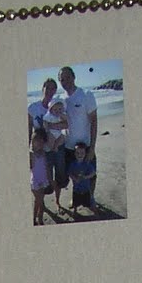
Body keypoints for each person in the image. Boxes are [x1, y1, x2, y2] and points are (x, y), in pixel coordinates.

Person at [58, 66, 98, 203]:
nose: (65, 81)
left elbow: (94, 120)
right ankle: (77, 198)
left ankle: (91, 197)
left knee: (90, 174)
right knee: (74, 174)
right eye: (62, 79)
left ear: (74, 77)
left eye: (68, 77)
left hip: (85, 145)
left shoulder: (86, 95)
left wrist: (92, 147)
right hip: (68, 147)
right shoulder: (60, 100)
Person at [42, 99, 69, 210]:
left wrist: (62, 115)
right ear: (50, 109)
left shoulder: (60, 115)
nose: (58, 111)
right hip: (48, 146)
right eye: (55, 109)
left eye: (60, 109)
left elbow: (66, 123)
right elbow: (45, 126)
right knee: (47, 176)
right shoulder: (48, 116)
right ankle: (42, 202)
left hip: (58, 141)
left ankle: (57, 201)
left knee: (59, 174)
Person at [67, 142, 98, 213]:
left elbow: (93, 173)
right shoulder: (73, 164)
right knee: (75, 202)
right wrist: (74, 178)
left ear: (85, 154)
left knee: (89, 202)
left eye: (82, 153)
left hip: (86, 189)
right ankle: (75, 210)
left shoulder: (87, 164)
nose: (79, 155)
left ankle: (94, 211)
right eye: (77, 153)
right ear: (74, 154)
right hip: (76, 189)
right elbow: (69, 172)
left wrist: (86, 177)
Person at [27, 77, 58, 143]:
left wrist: (49, 125)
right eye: (47, 88)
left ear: (55, 91)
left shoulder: (58, 107)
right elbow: (29, 130)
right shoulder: (33, 107)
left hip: (55, 147)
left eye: (52, 89)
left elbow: (65, 123)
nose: (49, 91)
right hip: (40, 147)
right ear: (42, 89)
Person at [30, 129, 51, 226]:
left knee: (40, 201)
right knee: (39, 202)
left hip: (43, 180)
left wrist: (49, 179)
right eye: (37, 141)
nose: (40, 144)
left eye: (42, 142)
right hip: (35, 181)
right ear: (32, 141)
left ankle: (40, 219)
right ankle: (34, 219)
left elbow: (46, 167)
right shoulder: (31, 154)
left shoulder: (43, 153)